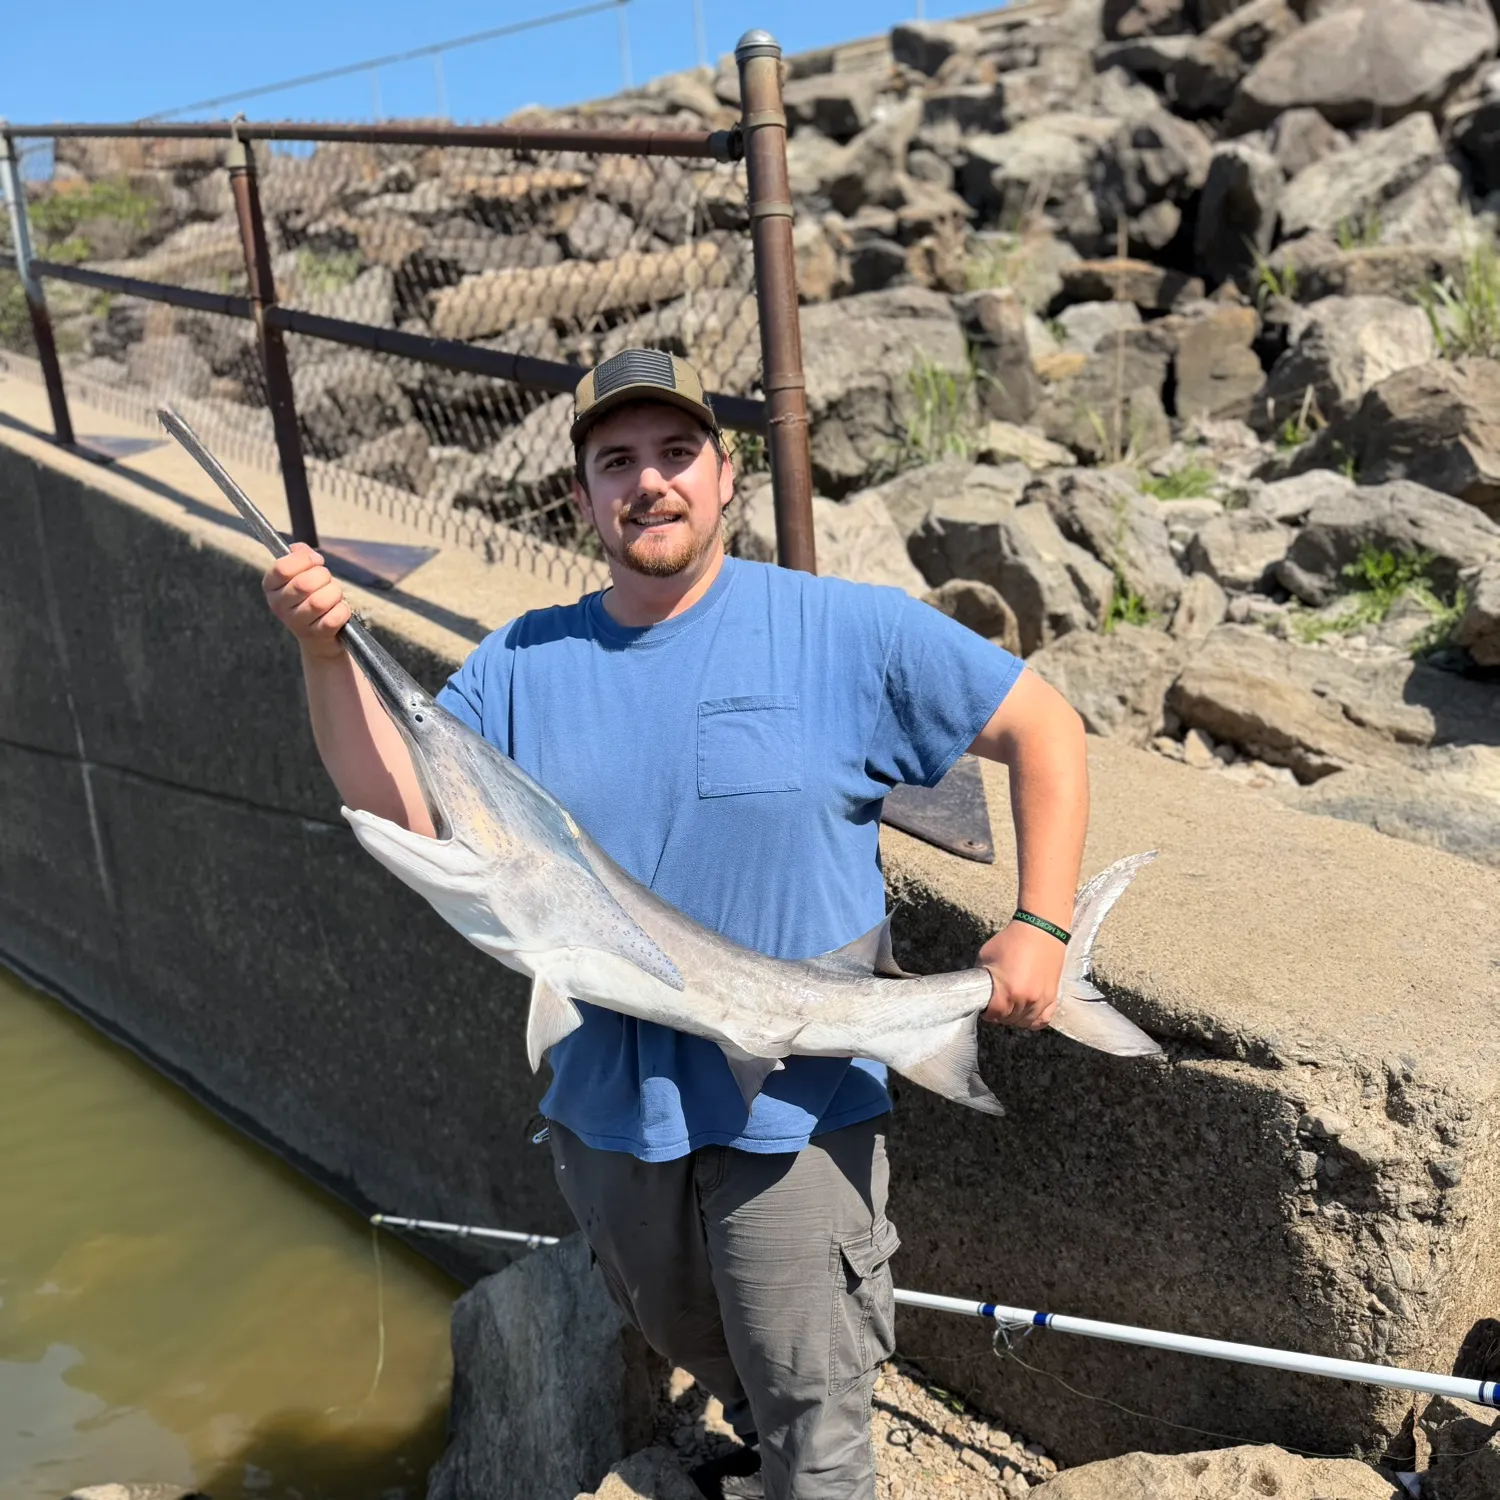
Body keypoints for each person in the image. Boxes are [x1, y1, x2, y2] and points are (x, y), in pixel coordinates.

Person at [262, 347, 1089, 1500]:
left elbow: (1046, 728)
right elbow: (398, 801)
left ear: (726, 474)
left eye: (675, 453)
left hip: (794, 1113)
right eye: (617, 462)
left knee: (820, 1421)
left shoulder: (842, 631)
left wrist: (1043, 924)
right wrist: (321, 654)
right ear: (581, 496)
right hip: (610, 1117)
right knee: (702, 1347)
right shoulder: (520, 666)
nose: (649, 483)